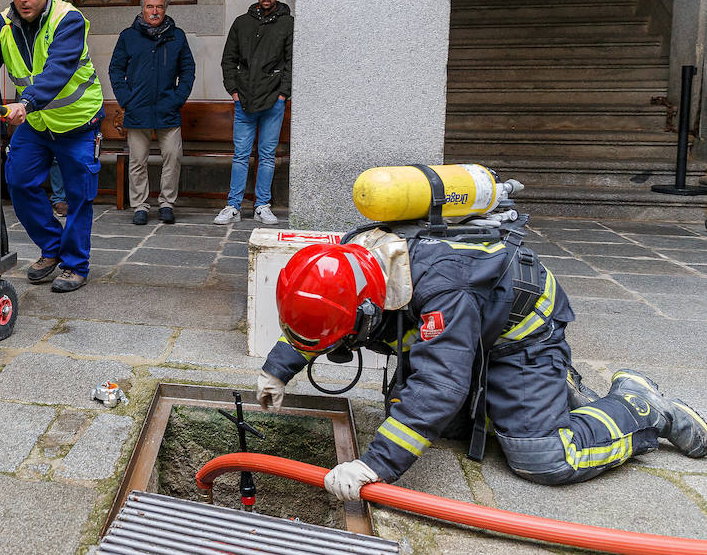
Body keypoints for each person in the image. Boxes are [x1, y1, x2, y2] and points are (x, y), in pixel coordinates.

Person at [257, 210, 707, 502]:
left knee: (543, 457)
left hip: (521, 332)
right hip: (466, 325)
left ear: (369, 307)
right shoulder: (352, 267)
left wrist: (373, 465)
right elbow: (317, 320)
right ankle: (550, 393)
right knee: (440, 424)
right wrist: (278, 370)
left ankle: (641, 405)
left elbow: (439, 387)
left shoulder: (441, 288)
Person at [0, 0, 105, 293]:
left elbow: (58, 69)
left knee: (78, 196)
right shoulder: (2, 24)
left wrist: (25, 104)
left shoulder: (68, 20)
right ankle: (52, 247)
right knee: (17, 181)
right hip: (36, 124)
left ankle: (75, 265)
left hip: (77, 123)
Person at [108, 0, 196, 225]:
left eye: (159, 7)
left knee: (173, 157)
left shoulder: (177, 36)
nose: (154, 11)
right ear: (142, 9)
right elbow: (115, 70)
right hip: (137, 109)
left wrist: (178, 98)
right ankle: (140, 205)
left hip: (168, 108)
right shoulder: (128, 36)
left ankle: (167, 203)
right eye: (150, 7)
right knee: (137, 161)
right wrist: (126, 99)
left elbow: (188, 70)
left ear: (165, 9)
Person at [215, 0, 291, 226]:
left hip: (273, 100)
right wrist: (233, 90)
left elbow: (292, 62)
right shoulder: (242, 23)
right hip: (245, 99)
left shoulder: (287, 24)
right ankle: (233, 205)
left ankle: (262, 205)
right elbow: (229, 59)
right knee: (241, 154)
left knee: (267, 154)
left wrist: (283, 93)